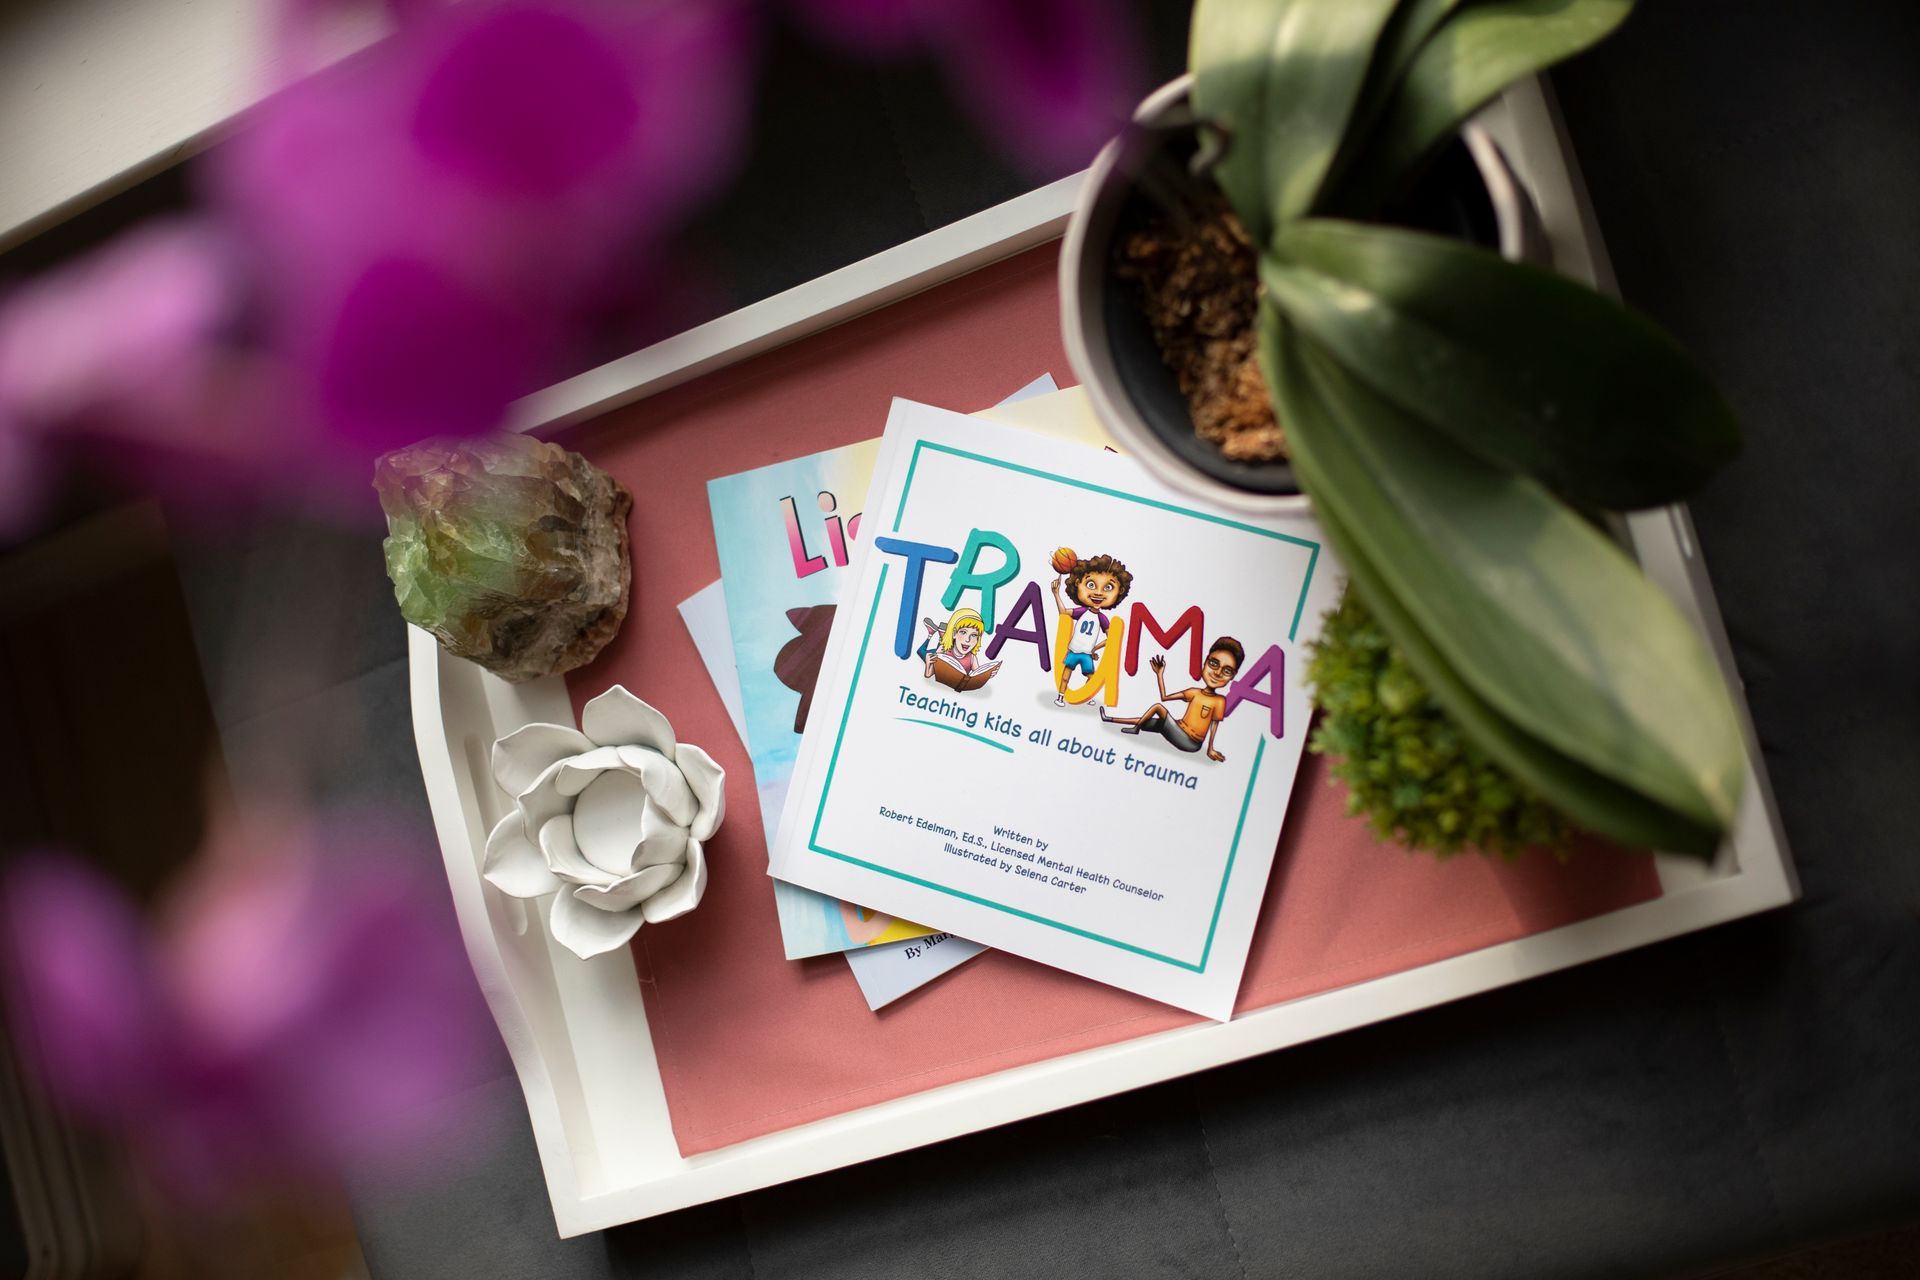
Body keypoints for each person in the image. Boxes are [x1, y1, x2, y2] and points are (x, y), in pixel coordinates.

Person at [1100, 637, 1243, 763]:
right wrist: (1159, 674)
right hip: (1177, 729)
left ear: (1233, 676)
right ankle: (1110, 719)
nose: (1217, 673)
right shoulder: (1194, 692)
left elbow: (1214, 724)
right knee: (1145, 720)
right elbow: (1165, 697)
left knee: (1158, 708)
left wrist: (1210, 748)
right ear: (1205, 662)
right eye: (1214, 663)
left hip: (1190, 742)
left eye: (1227, 671)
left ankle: (1135, 729)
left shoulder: (1219, 701)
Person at [1049, 552, 1132, 706]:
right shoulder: (1082, 611)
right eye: (1091, 585)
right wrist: (1056, 594)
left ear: (1119, 592)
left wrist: (1095, 648)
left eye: (1108, 587)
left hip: (1087, 653)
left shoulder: (1102, 618)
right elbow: (1063, 612)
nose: (1098, 592)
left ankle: (1089, 696)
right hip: (1073, 651)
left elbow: (1111, 639)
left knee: (1091, 678)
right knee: (1065, 675)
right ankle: (1060, 696)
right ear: (1077, 583)